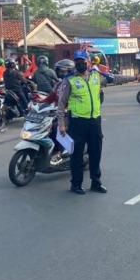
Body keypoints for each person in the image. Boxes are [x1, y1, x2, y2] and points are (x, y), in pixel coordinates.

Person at [57, 50, 106, 195]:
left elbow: (99, 94)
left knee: (96, 153)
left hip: (95, 121)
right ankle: (76, 184)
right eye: (77, 62)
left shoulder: (96, 76)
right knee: (77, 155)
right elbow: (61, 103)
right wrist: (61, 123)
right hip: (78, 122)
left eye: (83, 61)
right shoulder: (69, 80)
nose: (80, 64)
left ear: (88, 62)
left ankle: (96, 182)